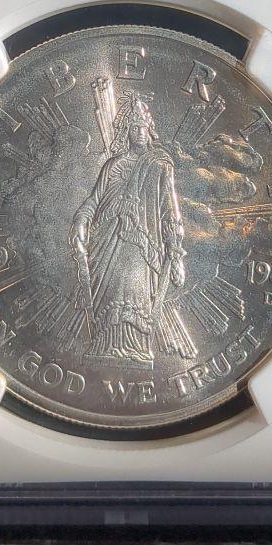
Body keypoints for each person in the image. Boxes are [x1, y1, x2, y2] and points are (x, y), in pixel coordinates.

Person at [70, 92, 186, 367]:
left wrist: (175, 246)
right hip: (107, 239)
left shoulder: (160, 165)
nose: (140, 133)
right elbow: (94, 200)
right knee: (108, 295)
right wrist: (81, 221)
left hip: (140, 243)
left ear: (150, 130)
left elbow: (170, 209)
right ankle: (104, 345)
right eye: (134, 128)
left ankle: (137, 348)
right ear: (127, 132)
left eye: (143, 127)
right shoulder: (113, 165)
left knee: (134, 292)